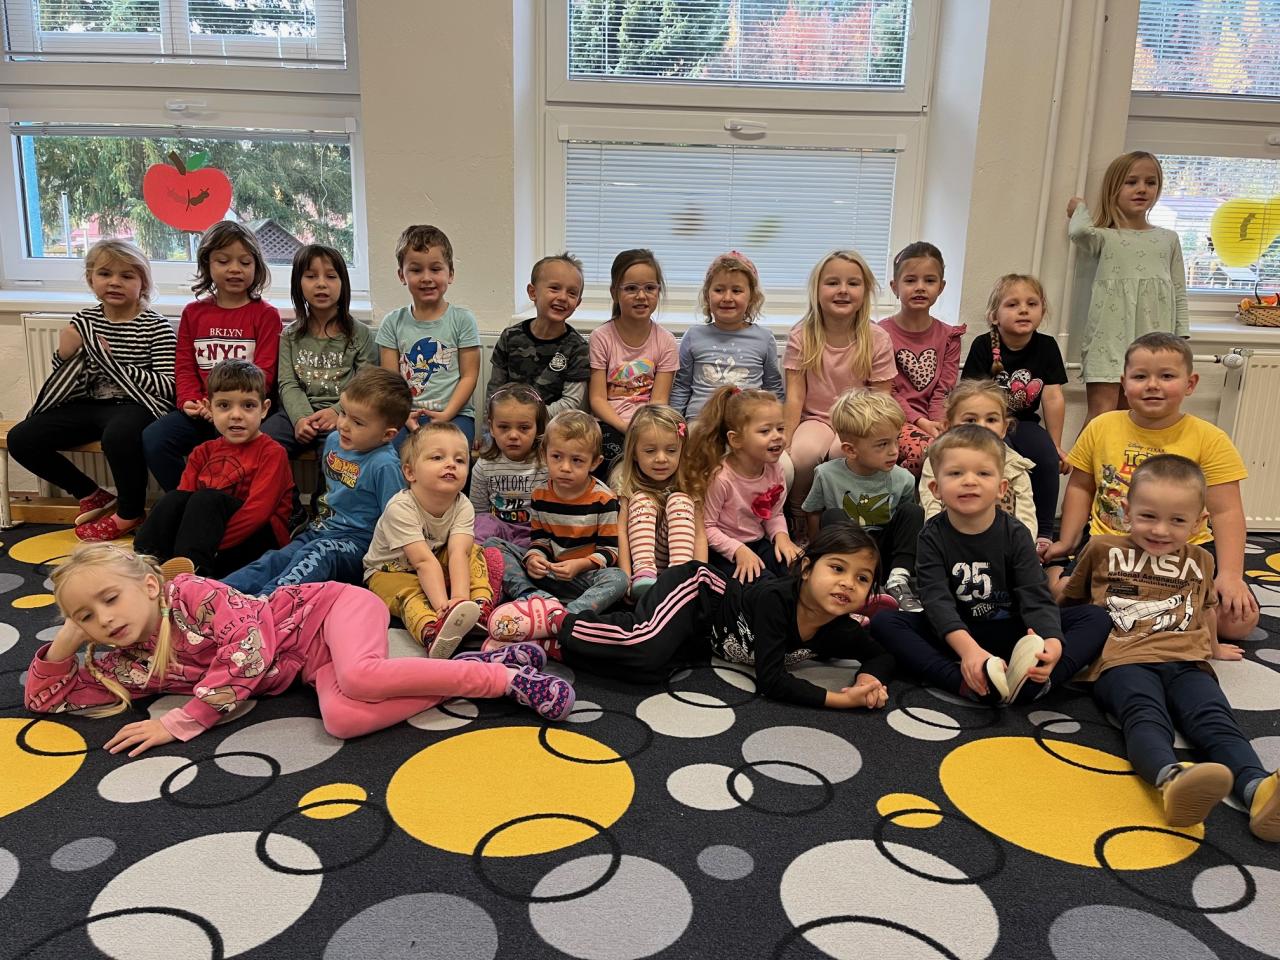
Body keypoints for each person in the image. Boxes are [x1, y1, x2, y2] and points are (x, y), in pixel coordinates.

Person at [24, 545, 575, 755]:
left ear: (149, 585)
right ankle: (483, 664)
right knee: (342, 720)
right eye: (86, 615)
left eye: (109, 599)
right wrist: (67, 639)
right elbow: (44, 701)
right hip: (310, 666)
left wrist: (181, 721)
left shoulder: (192, 595)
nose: (104, 619)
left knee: (360, 678)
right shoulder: (125, 662)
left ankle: (505, 682)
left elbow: (247, 651)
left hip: (328, 609)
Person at [1059, 455, 1278, 840]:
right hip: (1122, 659)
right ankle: (1172, 780)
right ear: (1127, 510)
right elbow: (1071, 603)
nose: (1160, 530)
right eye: (1148, 516)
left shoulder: (1202, 559)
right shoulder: (1101, 548)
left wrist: (1214, 648)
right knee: (1145, 716)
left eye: (1177, 520)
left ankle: (1256, 790)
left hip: (1186, 660)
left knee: (1215, 719)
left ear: (1198, 523)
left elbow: (1204, 609)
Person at [486, 522, 894, 709]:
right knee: (644, 642)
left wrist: (868, 680)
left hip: (698, 638)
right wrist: (841, 699)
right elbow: (772, 681)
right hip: (698, 592)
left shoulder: (838, 630)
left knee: (648, 670)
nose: (847, 584)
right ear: (805, 569)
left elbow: (882, 654)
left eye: (862, 578)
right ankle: (556, 619)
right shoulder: (778, 600)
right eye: (836, 569)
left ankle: (551, 647)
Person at [871, 425, 1111, 705]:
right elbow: (937, 602)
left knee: (1096, 618)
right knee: (885, 622)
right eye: (955, 473)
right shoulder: (930, 536)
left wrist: (1052, 641)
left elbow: (1035, 596)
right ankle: (965, 683)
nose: (969, 481)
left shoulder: (1016, 533)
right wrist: (969, 651)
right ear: (935, 489)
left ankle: (1037, 682)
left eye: (983, 473)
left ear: (1001, 488)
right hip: (956, 634)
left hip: (1014, 630)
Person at [1046, 333, 1260, 641]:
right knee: (1059, 595)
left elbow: (1226, 511)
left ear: (1190, 383)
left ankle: (1141, 606)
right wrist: (1067, 541)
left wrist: (1230, 575)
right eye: (1140, 376)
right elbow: (1081, 487)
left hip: (1185, 549)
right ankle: (1062, 571)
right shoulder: (1101, 426)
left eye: (1167, 376)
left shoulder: (1211, 439)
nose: (1152, 385)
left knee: (1237, 622)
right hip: (1112, 544)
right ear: (1124, 383)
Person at [8, 239, 175, 542]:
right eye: (105, 274)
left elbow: (167, 386)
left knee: (119, 436)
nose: (114, 282)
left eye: (127, 276)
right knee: (22, 437)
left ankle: (130, 511)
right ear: (91, 279)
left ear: (143, 283)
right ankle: (89, 493)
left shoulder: (156, 326)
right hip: (89, 402)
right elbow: (67, 378)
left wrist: (113, 365)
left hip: (136, 404)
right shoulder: (85, 321)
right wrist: (64, 354)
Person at [222, 367, 408, 594]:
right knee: (276, 559)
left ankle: (264, 602)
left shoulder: (385, 465)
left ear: (388, 435)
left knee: (318, 553)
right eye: (343, 413)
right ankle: (213, 593)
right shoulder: (334, 440)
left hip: (359, 544)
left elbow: (396, 519)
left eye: (358, 422)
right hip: (320, 530)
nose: (343, 425)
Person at [142, 222, 280, 492]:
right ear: (208, 265)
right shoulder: (194, 313)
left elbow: (265, 373)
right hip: (201, 410)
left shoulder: (266, 315)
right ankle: (186, 502)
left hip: (240, 412)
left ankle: (220, 506)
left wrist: (226, 406)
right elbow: (184, 366)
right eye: (223, 261)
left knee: (228, 451)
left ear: (256, 267)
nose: (235, 269)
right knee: (155, 438)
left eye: (244, 262)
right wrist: (190, 401)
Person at [133, 360, 292, 577]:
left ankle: (193, 578)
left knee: (207, 498)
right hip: (208, 542)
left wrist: (210, 542)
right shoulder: (202, 452)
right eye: (224, 406)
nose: (236, 415)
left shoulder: (272, 452)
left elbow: (257, 514)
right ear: (209, 408)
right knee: (173, 499)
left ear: (264, 409)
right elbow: (182, 504)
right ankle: (144, 565)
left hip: (258, 541)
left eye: (248, 406)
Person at [1067, 151, 1189, 425]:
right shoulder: (1104, 237)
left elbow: (1179, 290)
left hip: (1153, 342)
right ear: (1114, 187)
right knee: (1102, 415)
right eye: (1131, 182)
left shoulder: (1168, 239)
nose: (1142, 189)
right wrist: (1079, 207)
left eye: (1150, 182)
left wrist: (1180, 339)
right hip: (1108, 339)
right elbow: (1079, 232)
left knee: (1133, 417)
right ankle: (1085, 458)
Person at [364, 423, 503, 659]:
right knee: (410, 594)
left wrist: (460, 600)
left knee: (473, 550)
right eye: (437, 457)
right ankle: (431, 629)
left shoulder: (463, 505)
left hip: (435, 561)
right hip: (389, 572)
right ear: (410, 473)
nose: (451, 464)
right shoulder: (400, 508)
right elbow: (422, 561)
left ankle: (479, 607)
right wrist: (443, 608)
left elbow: (458, 553)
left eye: (460, 460)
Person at [487, 411, 628, 638]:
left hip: (584, 578)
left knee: (619, 579)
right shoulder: (540, 494)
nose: (565, 467)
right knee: (493, 545)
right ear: (544, 455)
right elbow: (541, 539)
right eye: (557, 457)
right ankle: (532, 597)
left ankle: (564, 617)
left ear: (595, 463)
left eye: (577, 460)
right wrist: (534, 558)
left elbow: (610, 552)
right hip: (549, 573)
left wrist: (580, 565)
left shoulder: (604, 499)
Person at [784, 250, 896, 523]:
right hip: (816, 419)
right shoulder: (802, 335)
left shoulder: (877, 338)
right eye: (833, 283)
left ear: (865, 292)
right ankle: (799, 515)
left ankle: (842, 519)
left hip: (859, 421)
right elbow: (795, 395)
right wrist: (786, 439)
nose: (843, 290)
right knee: (804, 454)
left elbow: (881, 399)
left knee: (841, 453)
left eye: (853, 283)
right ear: (817, 290)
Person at [960, 274, 1068, 551]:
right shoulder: (984, 345)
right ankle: (995, 523)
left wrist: (1055, 444)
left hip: (1025, 423)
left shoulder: (1047, 346)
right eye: (1012, 304)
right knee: (999, 458)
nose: (1023, 310)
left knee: (1046, 457)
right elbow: (970, 395)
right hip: (990, 423)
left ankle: (1044, 530)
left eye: (1032, 304)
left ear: (1042, 311)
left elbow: (1053, 397)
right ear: (994, 316)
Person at [802, 388, 924, 612]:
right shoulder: (826, 474)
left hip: (884, 552)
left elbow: (904, 529)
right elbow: (814, 513)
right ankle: (856, 584)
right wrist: (814, 551)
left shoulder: (903, 478)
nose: (894, 451)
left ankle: (898, 581)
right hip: (847, 550)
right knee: (832, 515)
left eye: (896, 441)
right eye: (882, 444)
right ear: (850, 450)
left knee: (913, 512)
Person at [262, 244, 376, 457]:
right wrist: (301, 418)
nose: (321, 284)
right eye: (311, 276)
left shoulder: (360, 334)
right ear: (298, 283)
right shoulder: (289, 336)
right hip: (295, 413)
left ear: (343, 283)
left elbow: (365, 386)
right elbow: (287, 383)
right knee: (263, 445)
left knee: (338, 455)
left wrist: (337, 411)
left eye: (331, 276)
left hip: (345, 415)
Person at [681, 386, 801, 583]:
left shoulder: (775, 469)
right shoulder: (721, 478)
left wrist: (782, 536)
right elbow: (707, 528)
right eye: (765, 431)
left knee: (797, 570)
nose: (777, 436)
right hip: (724, 551)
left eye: (780, 428)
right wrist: (738, 550)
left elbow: (774, 514)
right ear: (736, 440)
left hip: (758, 542)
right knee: (764, 583)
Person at [377, 224, 480, 449]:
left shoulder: (463, 320)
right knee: (387, 452)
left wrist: (446, 414)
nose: (426, 278)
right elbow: (390, 382)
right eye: (416, 270)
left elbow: (469, 376)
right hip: (403, 414)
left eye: (435, 269)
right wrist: (404, 415)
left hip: (455, 414)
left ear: (450, 274)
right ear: (401, 275)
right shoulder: (392, 323)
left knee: (448, 452)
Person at [877, 242, 964, 476]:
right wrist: (921, 423)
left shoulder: (949, 336)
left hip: (937, 418)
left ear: (941, 287)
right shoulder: (880, 334)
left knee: (962, 451)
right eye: (910, 280)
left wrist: (938, 424)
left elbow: (944, 389)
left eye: (929, 280)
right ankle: (902, 496)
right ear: (895, 287)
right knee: (924, 451)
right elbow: (888, 391)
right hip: (893, 418)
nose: (920, 288)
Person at [588, 249, 679, 469]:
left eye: (650, 288)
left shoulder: (666, 341)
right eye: (631, 288)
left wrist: (642, 429)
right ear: (614, 293)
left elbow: (659, 400)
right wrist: (624, 427)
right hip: (609, 422)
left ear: (658, 291)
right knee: (613, 461)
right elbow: (598, 399)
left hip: (650, 422)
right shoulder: (601, 337)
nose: (641, 296)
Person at [669, 251, 783, 421]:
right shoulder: (693, 336)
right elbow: (681, 387)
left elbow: (773, 388)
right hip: (701, 424)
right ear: (707, 295)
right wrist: (673, 425)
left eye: (736, 290)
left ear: (752, 297)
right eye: (719, 290)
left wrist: (779, 425)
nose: (727, 298)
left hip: (746, 425)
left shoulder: (764, 339)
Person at [919, 380, 1037, 540]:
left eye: (991, 420)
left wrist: (1023, 547)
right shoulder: (938, 461)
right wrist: (938, 543)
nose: (981, 427)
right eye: (970, 420)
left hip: (1003, 545)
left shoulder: (1015, 465)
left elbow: (1026, 517)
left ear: (1004, 428)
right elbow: (931, 508)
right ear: (948, 426)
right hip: (950, 541)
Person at [614, 404, 705, 599]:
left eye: (671, 450)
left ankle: (681, 575)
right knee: (642, 499)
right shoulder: (627, 483)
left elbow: (699, 536)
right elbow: (621, 533)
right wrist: (625, 579)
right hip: (641, 568)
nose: (661, 458)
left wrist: (701, 577)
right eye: (650, 451)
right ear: (634, 453)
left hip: (674, 561)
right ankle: (644, 574)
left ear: (682, 451)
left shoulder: (689, 484)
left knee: (680, 499)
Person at [486, 253, 590, 421]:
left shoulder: (578, 347)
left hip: (552, 428)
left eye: (572, 293)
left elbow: (571, 402)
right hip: (509, 424)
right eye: (554, 288)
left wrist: (528, 419)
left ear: (577, 303)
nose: (563, 297)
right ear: (533, 292)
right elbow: (495, 390)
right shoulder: (510, 337)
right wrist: (488, 429)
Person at [471, 383, 548, 548]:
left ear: (538, 428)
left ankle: (519, 557)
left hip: (532, 530)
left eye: (524, 428)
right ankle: (480, 556)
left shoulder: (546, 465)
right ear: (491, 428)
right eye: (504, 427)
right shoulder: (483, 466)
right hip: (497, 529)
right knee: (483, 522)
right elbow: (478, 513)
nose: (513, 435)